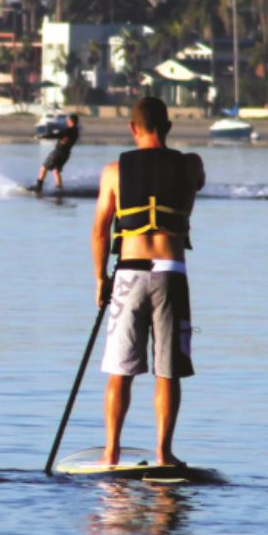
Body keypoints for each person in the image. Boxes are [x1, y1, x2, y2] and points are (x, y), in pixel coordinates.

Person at [89, 96, 205, 466]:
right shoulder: (190, 165)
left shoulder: (112, 172)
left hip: (128, 272)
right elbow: (196, 183)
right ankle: (163, 453)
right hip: (170, 273)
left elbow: (99, 232)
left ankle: (111, 452)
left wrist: (100, 279)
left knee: (120, 371)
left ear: (132, 129)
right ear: (168, 127)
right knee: (167, 372)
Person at [34, 112, 80, 192]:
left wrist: (43, 136)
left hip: (58, 152)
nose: (67, 122)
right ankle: (59, 189)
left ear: (70, 121)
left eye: (68, 120)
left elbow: (57, 135)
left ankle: (38, 187)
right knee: (56, 171)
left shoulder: (70, 130)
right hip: (66, 154)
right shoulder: (76, 131)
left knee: (44, 167)